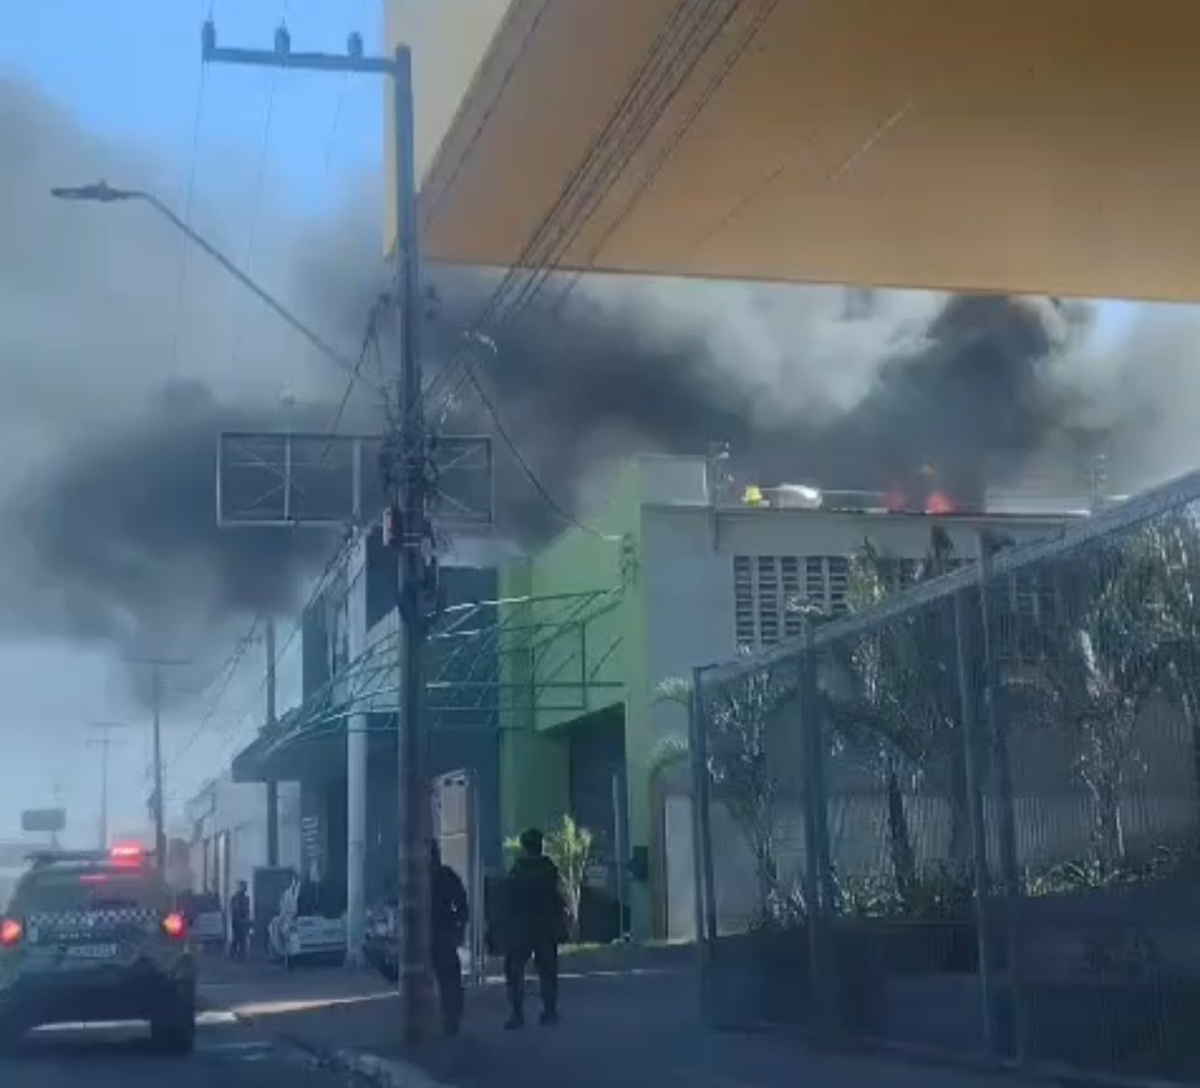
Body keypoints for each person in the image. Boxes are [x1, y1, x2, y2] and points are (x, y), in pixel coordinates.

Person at [503, 827, 565, 1029]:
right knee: (548, 970)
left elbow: (509, 899)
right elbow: (557, 899)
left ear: (524, 847)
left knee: (515, 970)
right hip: (546, 926)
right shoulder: (550, 870)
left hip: (522, 927)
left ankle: (517, 1014)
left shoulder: (518, 870)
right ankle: (549, 1011)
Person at [430, 840, 470, 1035]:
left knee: (448, 980)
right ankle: (450, 1018)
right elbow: (462, 904)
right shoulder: (445, 875)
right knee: (449, 979)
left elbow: (462, 904)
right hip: (441, 932)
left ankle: (450, 1019)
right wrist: (458, 924)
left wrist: (458, 925)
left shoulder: (440, 875)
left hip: (436, 932)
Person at [229, 880, 251, 961]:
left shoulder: (246, 898)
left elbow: (247, 910)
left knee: (243, 940)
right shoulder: (235, 898)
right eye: (243, 886)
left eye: (245, 887)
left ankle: (242, 956)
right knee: (236, 939)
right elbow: (233, 909)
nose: (245, 888)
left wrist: (247, 920)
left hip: (243, 921)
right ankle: (232, 955)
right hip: (237, 922)